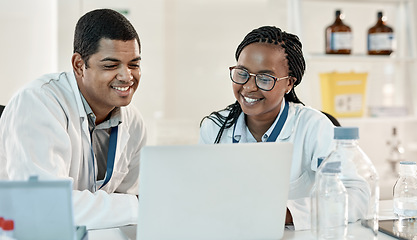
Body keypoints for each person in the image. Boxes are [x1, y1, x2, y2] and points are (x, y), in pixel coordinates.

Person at [0, 9, 146, 229]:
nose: (127, 76)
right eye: (110, 65)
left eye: (133, 64)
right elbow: (45, 206)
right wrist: (136, 206)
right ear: (79, 65)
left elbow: (134, 204)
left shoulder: (133, 121)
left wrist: (137, 206)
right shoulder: (38, 103)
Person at [199, 26, 336, 230]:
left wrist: (287, 213)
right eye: (242, 73)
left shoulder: (313, 127)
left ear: (289, 84)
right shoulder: (215, 127)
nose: (249, 87)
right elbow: (200, 193)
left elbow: (353, 195)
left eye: (264, 78)